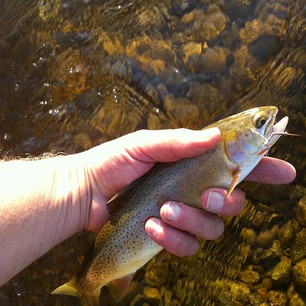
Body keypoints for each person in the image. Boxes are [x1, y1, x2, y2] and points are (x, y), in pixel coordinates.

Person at [0, 127, 296, 287]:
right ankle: (88, 285)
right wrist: (87, 182)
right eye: (259, 125)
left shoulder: (233, 156)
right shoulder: (216, 145)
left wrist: (86, 184)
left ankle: (92, 283)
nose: (266, 125)